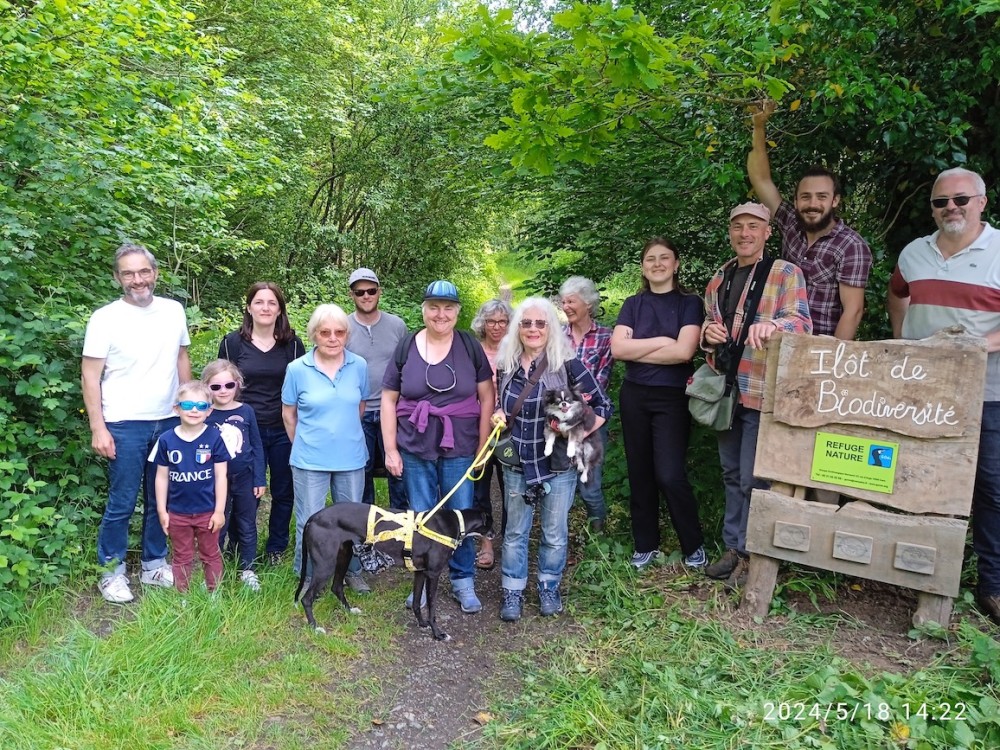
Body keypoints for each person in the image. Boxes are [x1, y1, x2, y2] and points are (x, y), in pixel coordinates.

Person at [887, 167, 1000, 624]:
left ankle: (992, 585)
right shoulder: (915, 252)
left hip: (989, 391)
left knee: (992, 488)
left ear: (982, 202)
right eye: (941, 202)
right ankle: (918, 573)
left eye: (961, 199)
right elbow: (897, 294)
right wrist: (903, 341)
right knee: (920, 480)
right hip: (923, 391)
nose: (951, 207)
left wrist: (976, 347)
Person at [701, 203, 812, 590]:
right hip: (728, 390)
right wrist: (708, 335)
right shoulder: (720, 276)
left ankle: (754, 557)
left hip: (763, 391)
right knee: (732, 474)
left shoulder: (784, 273)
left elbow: (801, 322)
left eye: (754, 226)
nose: (745, 233)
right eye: (737, 227)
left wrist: (773, 325)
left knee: (754, 478)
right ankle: (734, 548)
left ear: (768, 233)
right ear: (730, 232)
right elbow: (710, 324)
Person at [82, 243, 190, 604]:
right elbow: (90, 375)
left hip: (169, 420)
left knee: (163, 497)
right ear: (117, 278)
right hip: (124, 423)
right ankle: (110, 572)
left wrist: (188, 409)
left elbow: (181, 359)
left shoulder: (174, 311)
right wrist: (98, 427)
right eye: (128, 273)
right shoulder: (104, 318)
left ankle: (154, 563)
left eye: (143, 271)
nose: (137, 279)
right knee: (123, 500)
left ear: (155, 273)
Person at [493, 298, 612, 622]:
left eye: (540, 323)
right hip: (518, 461)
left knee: (554, 533)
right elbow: (498, 405)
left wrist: (575, 426)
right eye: (526, 323)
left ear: (551, 328)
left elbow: (602, 408)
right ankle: (512, 590)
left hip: (558, 464)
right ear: (518, 328)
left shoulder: (569, 365)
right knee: (516, 531)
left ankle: (548, 587)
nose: (533, 329)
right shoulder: (507, 365)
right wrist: (499, 414)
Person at [381, 280, 494, 614]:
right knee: (422, 515)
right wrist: (390, 449)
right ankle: (423, 582)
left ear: (457, 312)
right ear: (424, 310)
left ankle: (463, 580)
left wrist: (483, 445)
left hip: (460, 443)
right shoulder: (406, 346)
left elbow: (487, 397)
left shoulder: (469, 346)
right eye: (433, 307)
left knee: (459, 514)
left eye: (448, 307)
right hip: (415, 443)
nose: (440, 314)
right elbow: (389, 399)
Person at [610, 241, 706, 570]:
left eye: (664, 258)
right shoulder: (633, 304)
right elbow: (619, 350)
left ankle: (693, 544)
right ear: (642, 267)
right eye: (650, 259)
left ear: (676, 264)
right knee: (639, 471)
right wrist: (664, 341)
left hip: (672, 397)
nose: (657, 263)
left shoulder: (690, 303)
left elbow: (683, 353)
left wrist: (641, 347)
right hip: (634, 394)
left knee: (669, 473)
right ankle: (645, 544)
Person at [746, 99, 872, 339]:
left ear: (835, 201)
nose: (813, 204)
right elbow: (761, 179)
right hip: (779, 339)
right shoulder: (791, 223)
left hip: (819, 348)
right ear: (796, 201)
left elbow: (853, 311)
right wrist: (759, 127)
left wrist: (828, 361)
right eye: (805, 197)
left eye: (821, 197)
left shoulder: (851, 246)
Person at [281, 304, 370, 591]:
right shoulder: (297, 369)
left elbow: (360, 406)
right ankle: (307, 575)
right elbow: (288, 414)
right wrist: (307, 444)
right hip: (309, 459)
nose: (333, 338)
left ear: (347, 334)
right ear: (314, 335)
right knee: (309, 521)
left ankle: (352, 572)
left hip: (351, 457)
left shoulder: (359, 366)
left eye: (340, 332)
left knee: (354, 521)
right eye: (325, 332)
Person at [219, 282, 305, 566]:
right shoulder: (232, 344)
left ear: (280, 308)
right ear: (249, 307)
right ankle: (238, 545)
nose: (265, 308)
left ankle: (276, 548)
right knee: (243, 492)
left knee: (284, 491)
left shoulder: (292, 345)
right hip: (242, 431)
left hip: (283, 428)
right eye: (259, 302)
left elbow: (302, 387)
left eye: (271, 303)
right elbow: (220, 388)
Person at [151, 381, 229, 593]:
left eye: (201, 406)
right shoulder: (166, 440)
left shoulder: (214, 437)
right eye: (187, 405)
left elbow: (221, 476)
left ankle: (214, 595)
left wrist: (219, 511)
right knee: (181, 556)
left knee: (210, 554)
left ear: (209, 411)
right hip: (177, 512)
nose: (194, 410)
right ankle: (182, 596)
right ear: (176, 408)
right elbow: (161, 477)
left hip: (207, 511)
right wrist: (161, 510)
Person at [345, 268, 409, 511]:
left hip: (392, 410)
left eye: (371, 290)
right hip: (358, 412)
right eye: (359, 292)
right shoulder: (344, 327)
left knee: (399, 471)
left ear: (379, 292)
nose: (366, 296)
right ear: (352, 295)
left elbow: (407, 365)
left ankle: (401, 524)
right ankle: (365, 532)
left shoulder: (397, 326)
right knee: (362, 472)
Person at [202, 359, 266, 591]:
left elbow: (257, 446)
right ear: (206, 387)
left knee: (247, 523)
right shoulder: (204, 414)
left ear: (237, 385)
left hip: (245, 478)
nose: (223, 391)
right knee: (216, 524)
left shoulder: (246, 411)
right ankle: (213, 570)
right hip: (214, 482)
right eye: (215, 387)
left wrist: (260, 478)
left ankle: (247, 569)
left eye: (228, 385)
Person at [560, 276, 614, 532]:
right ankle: (563, 535)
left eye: (572, 301)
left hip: (593, 419)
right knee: (561, 479)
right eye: (563, 302)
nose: (566, 306)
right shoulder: (557, 336)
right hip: (560, 419)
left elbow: (601, 382)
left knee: (590, 485)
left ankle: (598, 537)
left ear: (588, 304)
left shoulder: (606, 337)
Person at [470, 297, 514, 569]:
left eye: (502, 322)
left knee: (512, 489)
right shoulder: (473, 352)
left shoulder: (517, 352)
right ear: (482, 324)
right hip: (478, 429)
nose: (496, 327)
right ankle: (486, 542)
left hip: (512, 431)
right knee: (480, 490)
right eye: (491, 321)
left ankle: (510, 543)